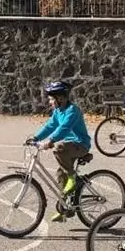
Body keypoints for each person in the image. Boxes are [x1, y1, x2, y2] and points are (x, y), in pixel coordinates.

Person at [28, 80, 91, 222]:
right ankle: (65, 210)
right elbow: (50, 126)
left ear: (61, 98)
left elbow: (64, 129)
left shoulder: (72, 111)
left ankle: (73, 177)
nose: (50, 102)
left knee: (58, 148)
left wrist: (50, 141)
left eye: (51, 98)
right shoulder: (58, 111)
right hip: (68, 147)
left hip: (80, 145)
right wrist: (36, 137)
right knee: (60, 175)